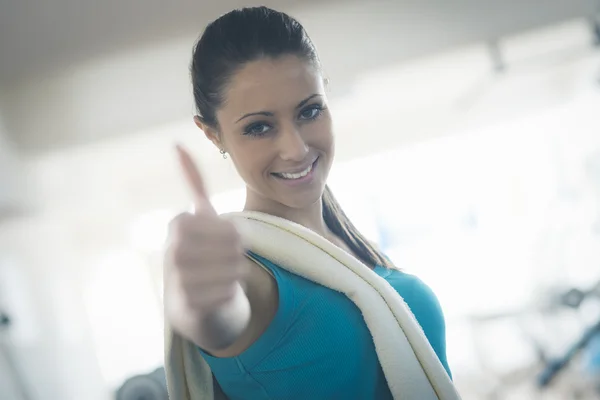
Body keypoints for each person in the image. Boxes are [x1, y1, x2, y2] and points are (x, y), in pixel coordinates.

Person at [164, 6, 452, 399]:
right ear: (212, 134)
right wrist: (198, 303)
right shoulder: (249, 276)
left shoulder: (354, 257)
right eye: (259, 127)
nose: (296, 149)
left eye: (309, 111)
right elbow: (218, 318)